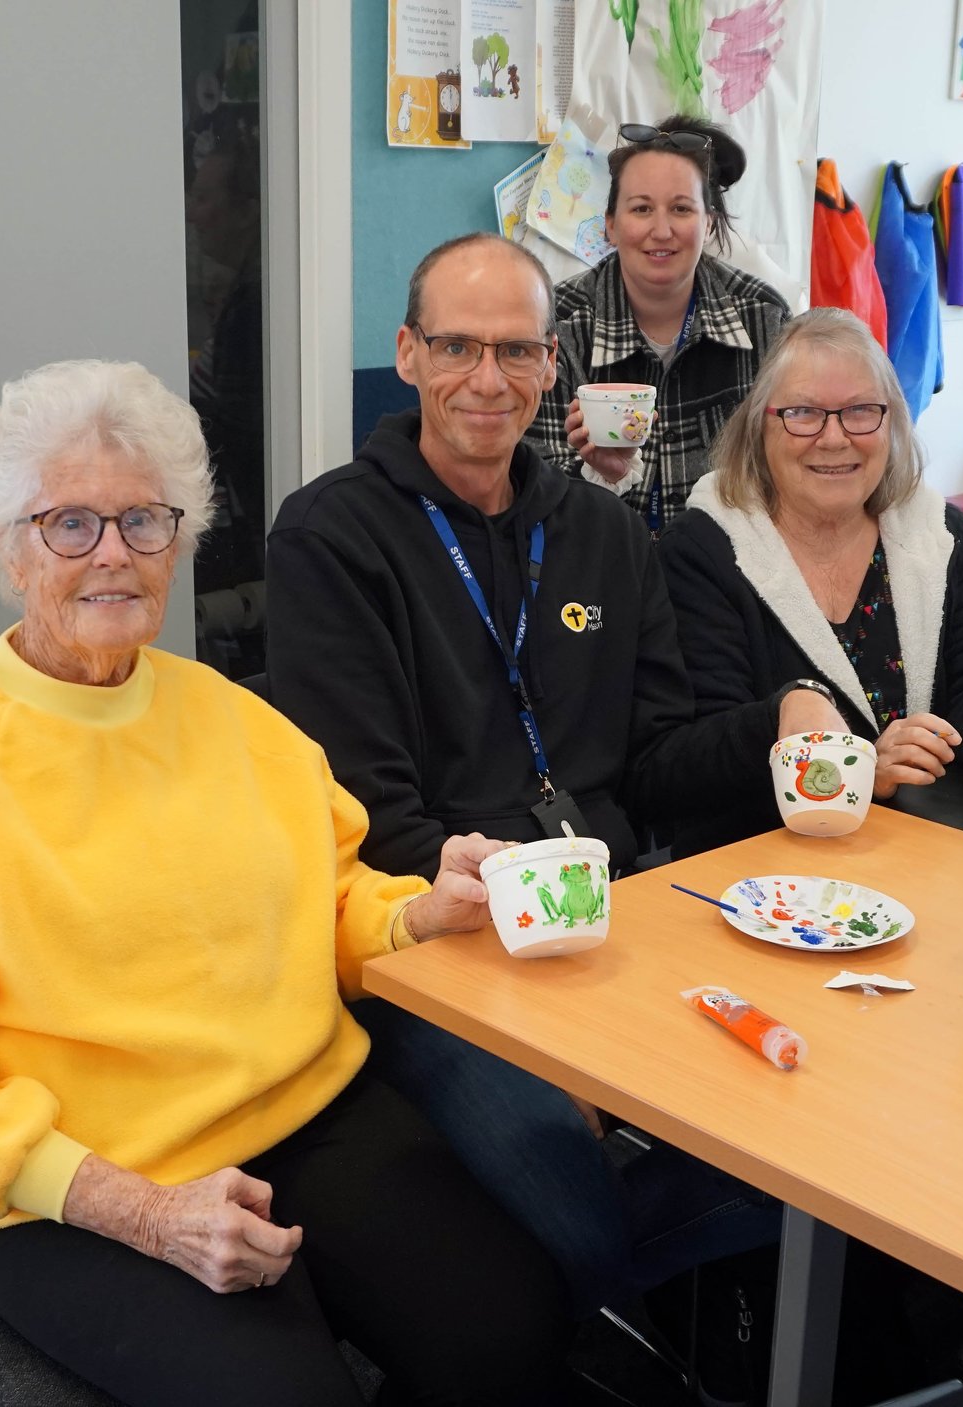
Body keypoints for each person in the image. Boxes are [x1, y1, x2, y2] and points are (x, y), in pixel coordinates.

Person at [0, 360, 571, 1407]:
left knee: (515, 1330)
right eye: (69, 525)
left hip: (297, 1106)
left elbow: (328, 898)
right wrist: (141, 1212)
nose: (114, 556)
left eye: (144, 522)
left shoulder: (229, 717)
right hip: (60, 1176)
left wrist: (416, 914)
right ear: (7, 546)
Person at [266, 232, 829, 1372]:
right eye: (459, 346)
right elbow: (372, 816)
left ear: (554, 362)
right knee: (572, 1213)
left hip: (613, 918)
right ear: (408, 354)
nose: (488, 378)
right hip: (441, 945)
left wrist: (785, 709)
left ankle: (619, 1313)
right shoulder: (332, 536)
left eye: (516, 349)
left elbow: (657, 762)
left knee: (818, 1116)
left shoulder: (609, 534)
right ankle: (572, 1329)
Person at [661, 308, 963, 853]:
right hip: (761, 870)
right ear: (760, 425)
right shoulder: (705, 549)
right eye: (803, 413)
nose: (834, 438)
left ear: (892, 421)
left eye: (860, 412)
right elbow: (687, 766)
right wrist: (856, 771)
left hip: (916, 851)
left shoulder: (937, 534)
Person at [523, 115, 790, 534]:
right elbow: (532, 495)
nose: (661, 230)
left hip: (728, 579)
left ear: (708, 223)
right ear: (610, 224)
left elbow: (789, 475)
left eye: (681, 209)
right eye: (641, 208)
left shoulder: (764, 318)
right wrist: (604, 474)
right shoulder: (559, 325)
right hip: (599, 575)